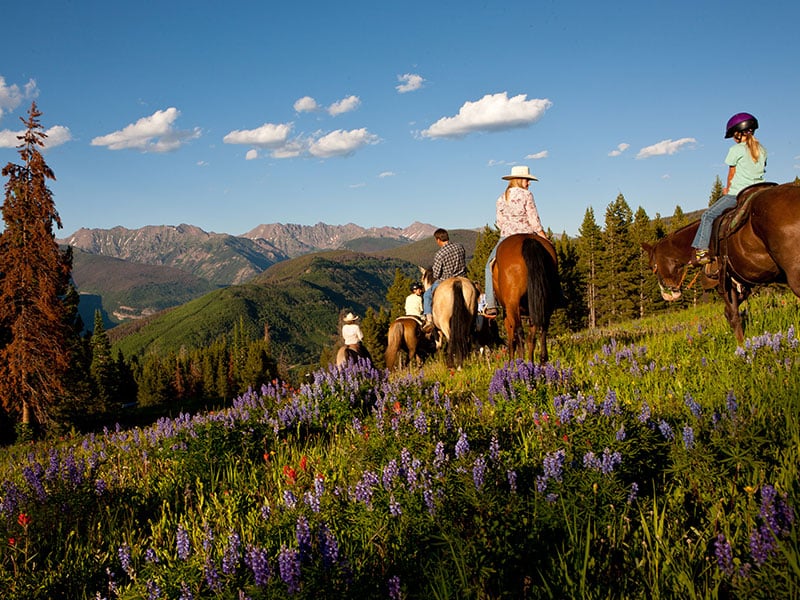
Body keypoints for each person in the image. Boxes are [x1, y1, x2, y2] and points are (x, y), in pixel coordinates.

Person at [692, 112, 767, 265]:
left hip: (739, 192)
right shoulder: (762, 150)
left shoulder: (736, 149)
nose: (733, 137)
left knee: (707, 216)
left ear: (738, 133)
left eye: (733, 134)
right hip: (760, 189)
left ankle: (701, 251)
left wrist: (727, 189)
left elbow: (732, 173)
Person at [483, 165, 546, 318]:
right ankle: (558, 293)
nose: (529, 183)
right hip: (528, 233)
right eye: (527, 179)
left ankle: (491, 304)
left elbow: (499, 222)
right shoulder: (527, 195)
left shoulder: (501, 198)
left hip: (507, 236)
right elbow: (534, 218)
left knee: (488, 266)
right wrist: (542, 235)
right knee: (549, 259)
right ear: (518, 180)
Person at [422, 228, 467, 327]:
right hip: (462, 278)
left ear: (438, 240)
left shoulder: (440, 254)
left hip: (444, 280)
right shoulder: (460, 247)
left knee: (427, 295)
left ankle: (429, 320)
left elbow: (436, 274)